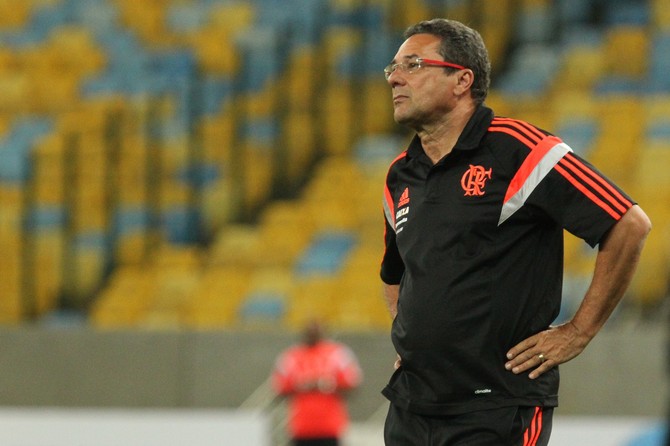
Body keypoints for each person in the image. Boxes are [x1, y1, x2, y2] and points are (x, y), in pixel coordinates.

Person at [379, 18, 652, 445]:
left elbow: (628, 225)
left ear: (461, 80)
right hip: (411, 410)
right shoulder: (400, 175)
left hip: (498, 408)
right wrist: (413, 342)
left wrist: (577, 332)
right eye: (392, 67)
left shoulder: (520, 149)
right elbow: (396, 275)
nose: (395, 77)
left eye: (413, 64)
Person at [271, 320, 363, 446]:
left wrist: (326, 385)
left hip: (330, 427)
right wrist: (302, 386)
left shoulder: (337, 353)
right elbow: (279, 388)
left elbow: (352, 385)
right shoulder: (291, 356)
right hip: (300, 427)